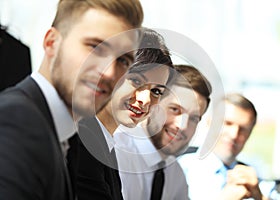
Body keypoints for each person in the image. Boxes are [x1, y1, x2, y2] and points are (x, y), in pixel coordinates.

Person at [0, 0, 144, 199]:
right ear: (52, 43)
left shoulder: (67, 137)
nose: (110, 72)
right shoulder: (17, 122)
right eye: (95, 47)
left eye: (122, 60)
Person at [68, 28, 175, 200]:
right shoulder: (84, 141)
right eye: (136, 81)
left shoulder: (105, 145)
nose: (146, 99)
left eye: (156, 91)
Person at [114, 64, 212, 200]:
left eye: (194, 118)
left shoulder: (175, 175)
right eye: (175, 109)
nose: (182, 126)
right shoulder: (116, 154)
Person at [178, 93, 280, 200]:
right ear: (210, 122)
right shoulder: (179, 171)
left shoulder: (255, 181)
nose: (234, 134)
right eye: (228, 123)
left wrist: (260, 197)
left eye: (243, 129)